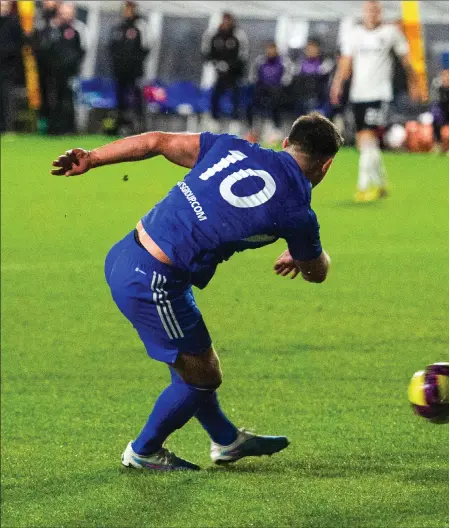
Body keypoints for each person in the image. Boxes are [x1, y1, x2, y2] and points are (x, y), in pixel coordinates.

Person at [50, 112, 343, 471]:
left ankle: (226, 440)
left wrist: (92, 158)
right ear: (326, 165)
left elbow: (157, 141)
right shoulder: (298, 212)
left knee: (193, 360)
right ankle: (143, 452)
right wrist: (309, 255)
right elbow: (317, 273)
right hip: (153, 281)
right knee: (204, 375)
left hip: (130, 253)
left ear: (285, 143)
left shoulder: (232, 147)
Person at [330, 0, 419, 202]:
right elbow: (346, 62)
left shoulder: (390, 33)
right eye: (369, 10)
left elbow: (406, 60)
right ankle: (381, 184)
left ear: (380, 13)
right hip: (358, 94)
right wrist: (337, 85)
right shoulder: (354, 34)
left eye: (376, 10)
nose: (372, 14)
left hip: (379, 94)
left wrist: (414, 84)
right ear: (364, 12)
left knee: (367, 139)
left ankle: (363, 187)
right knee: (366, 142)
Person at [108, 1, 149, 133]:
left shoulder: (141, 27)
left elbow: (146, 48)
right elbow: (111, 48)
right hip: (120, 72)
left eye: (130, 9)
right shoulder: (118, 28)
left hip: (135, 72)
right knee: (120, 100)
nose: (127, 11)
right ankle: (121, 125)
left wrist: (135, 65)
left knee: (137, 98)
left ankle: (139, 127)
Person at [202, 12, 249, 124]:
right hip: (219, 73)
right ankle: (214, 119)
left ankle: (234, 120)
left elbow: (243, 54)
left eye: (228, 20)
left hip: (234, 73)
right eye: (224, 20)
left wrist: (231, 66)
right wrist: (217, 64)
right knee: (215, 94)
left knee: (235, 95)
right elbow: (207, 52)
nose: (226, 23)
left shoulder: (238, 34)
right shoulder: (214, 34)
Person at [246, 42, 294, 144]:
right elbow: (253, 77)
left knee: (276, 99)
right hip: (262, 90)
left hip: (279, 91)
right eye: (269, 49)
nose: (270, 51)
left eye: (273, 49)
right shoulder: (260, 61)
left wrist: (276, 87)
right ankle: (253, 131)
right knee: (250, 102)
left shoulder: (284, 61)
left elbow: (287, 80)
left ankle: (276, 130)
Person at [32, 0, 60, 134]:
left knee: (56, 96)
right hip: (41, 67)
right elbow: (34, 44)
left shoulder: (61, 25)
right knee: (42, 95)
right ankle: (43, 124)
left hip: (58, 69)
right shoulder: (39, 24)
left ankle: (56, 125)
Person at [293, 37, 335, 116]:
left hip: (320, 101)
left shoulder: (325, 63)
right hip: (303, 101)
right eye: (308, 48)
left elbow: (323, 76)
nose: (310, 51)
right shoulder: (300, 64)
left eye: (313, 48)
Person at [0, 0, 25, 133]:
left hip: (7, 68)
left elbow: (19, 44)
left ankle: (6, 127)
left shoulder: (14, 23)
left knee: (6, 97)